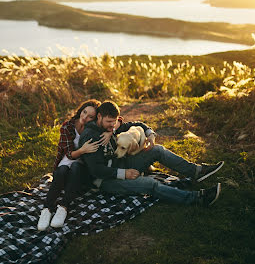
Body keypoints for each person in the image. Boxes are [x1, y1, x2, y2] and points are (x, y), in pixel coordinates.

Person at [78, 100, 224, 206]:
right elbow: (96, 170)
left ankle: (197, 171)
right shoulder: (90, 137)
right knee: (150, 184)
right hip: (106, 180)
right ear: (99, 117)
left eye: (114, 121)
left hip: (123, 164)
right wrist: (125, 174)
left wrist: (150, 135)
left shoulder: (109, 128)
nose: (112, 125)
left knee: (158, 150)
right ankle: (197, 198)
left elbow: (137, 124)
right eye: (109, 121)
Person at [37, 99, 110, 231]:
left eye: (90, 116)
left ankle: (63, 207)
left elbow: (116, 121)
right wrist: (83, 150)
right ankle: (46, 209)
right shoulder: (67, 126)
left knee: (75, 167)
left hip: (81, 168)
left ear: (95, 118)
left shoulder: (94, 128)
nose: (85, 117)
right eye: (84, 112)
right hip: (68, 161)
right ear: (80, 110)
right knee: (62, 170)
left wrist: (109, 132)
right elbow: (69, 154)